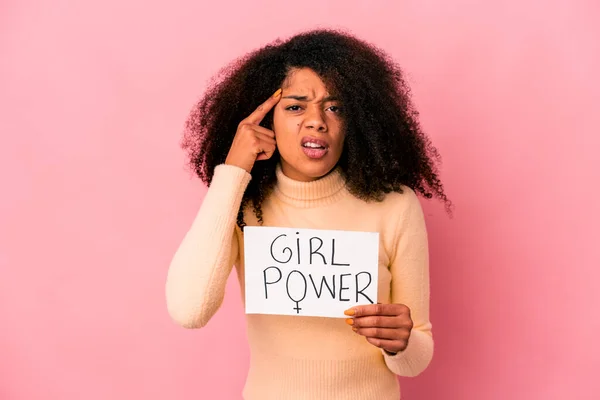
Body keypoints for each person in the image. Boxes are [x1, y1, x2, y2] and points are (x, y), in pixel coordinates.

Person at [165, 28, 451, 400]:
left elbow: (416, 358)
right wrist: (234, 170)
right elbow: (190, 310)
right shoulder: (242, 204)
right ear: (267, 120)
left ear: (357, 122)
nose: (317, 120)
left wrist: (401, 343)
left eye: (335, 107)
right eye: (295, 106)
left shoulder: (394, 205)